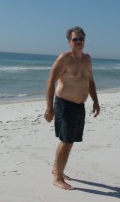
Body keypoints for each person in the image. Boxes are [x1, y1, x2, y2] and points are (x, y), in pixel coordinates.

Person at [44, 26, 100, 190]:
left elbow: (90, 81)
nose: (79, 41)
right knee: (66, 141)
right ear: (69, 42)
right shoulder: (64, 59)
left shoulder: (87, 59)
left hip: (79, 106)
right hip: (64, 104)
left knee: (70, 141)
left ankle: (56, 168)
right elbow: (50, 82)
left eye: (81, 38)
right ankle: (58, 177)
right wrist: (49, 107)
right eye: (75, 39)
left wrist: (96, 101)